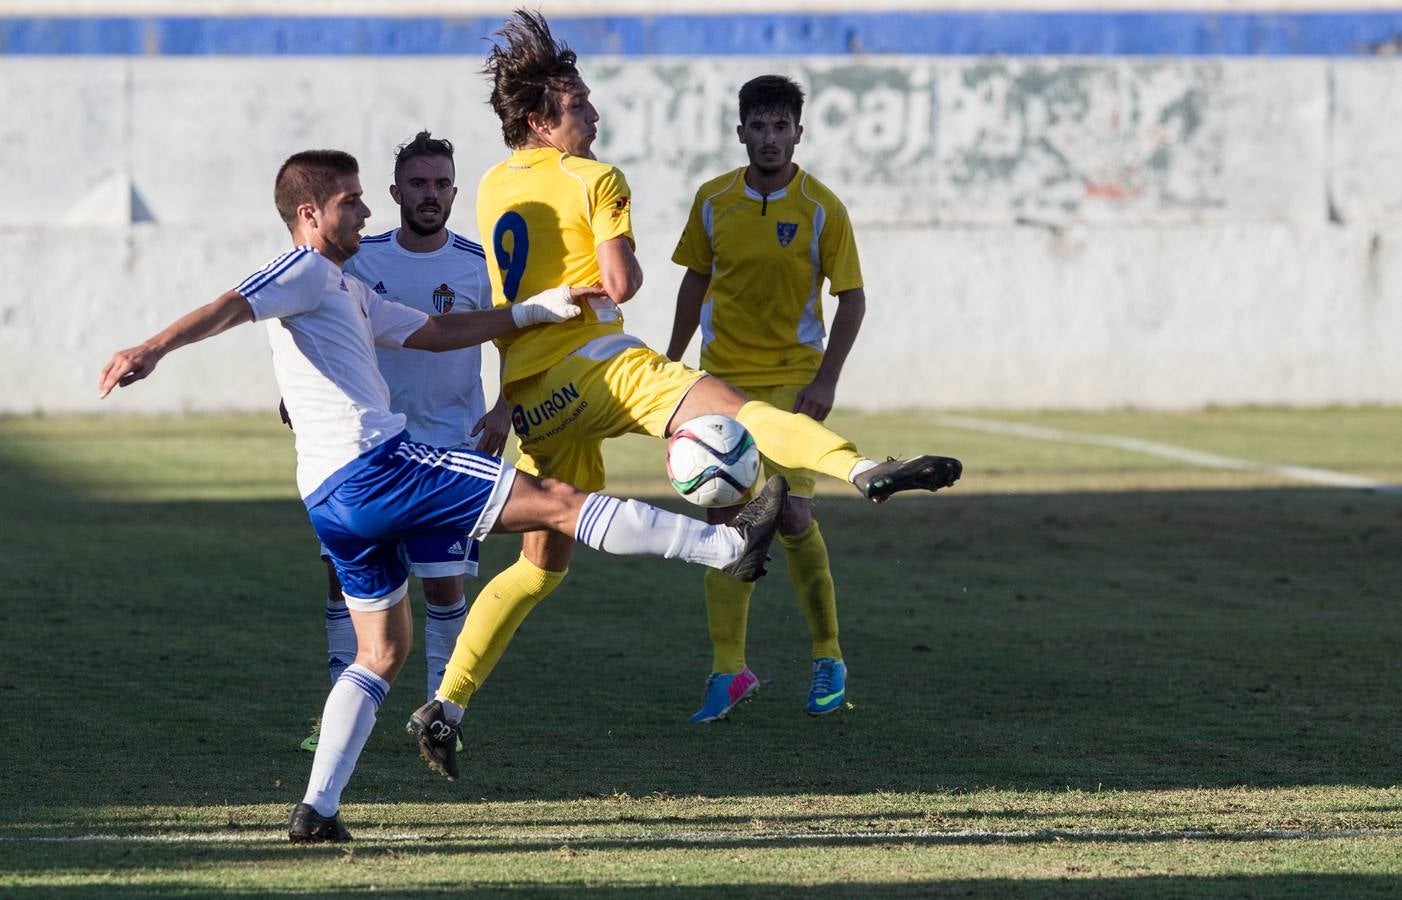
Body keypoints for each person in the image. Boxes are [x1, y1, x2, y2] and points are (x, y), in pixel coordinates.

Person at [98, 148, 790, 844]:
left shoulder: (348, 289)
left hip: (331, 497)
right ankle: (726, 546)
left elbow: (434, 332)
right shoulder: (305, 268)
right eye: (350, 201)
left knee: (382, 652)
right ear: (309, 215)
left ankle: (318, 809)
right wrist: (150, 349)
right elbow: (231, 304)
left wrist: (530, 312)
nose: (365, 211)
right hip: (381, 466)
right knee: (555, 500)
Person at [407, 9, 962, 779]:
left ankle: (447, 702)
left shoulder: (497, 183)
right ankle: (861, 470)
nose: (595, 114)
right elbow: (624, 281)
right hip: (597, 362)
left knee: (541, 565)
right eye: (580, 106)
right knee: (747, 416)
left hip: (532, 396)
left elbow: (520, 285)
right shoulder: (594, 176)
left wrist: (517, 382)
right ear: (541, 117)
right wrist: (614, 252)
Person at [666, 75, 865, 722]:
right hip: (721, 379)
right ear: (742, 131)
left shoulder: (821, 207)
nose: (771, 138)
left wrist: (827, 379)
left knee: (790, 518)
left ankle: (828, 655)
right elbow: (695, 283)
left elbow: (852, 297)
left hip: (791, 379)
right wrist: (672, 364)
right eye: (760, 126)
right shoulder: (712, 200)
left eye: (783, 127)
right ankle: (729, 671)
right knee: (722, 522)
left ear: (798, 133)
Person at [297, 131, 501, 753]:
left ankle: (441, 715)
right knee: (344, 579)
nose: (430, 194)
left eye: (440, 184)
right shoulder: (362, 261)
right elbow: (320, 324)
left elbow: (514, 343)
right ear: (395, 192)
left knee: (443, 586)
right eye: (418, 183)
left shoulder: (475, 263)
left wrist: (508, 409)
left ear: (454, 192)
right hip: (372, 450)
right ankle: (338, 708)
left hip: (451, 441)